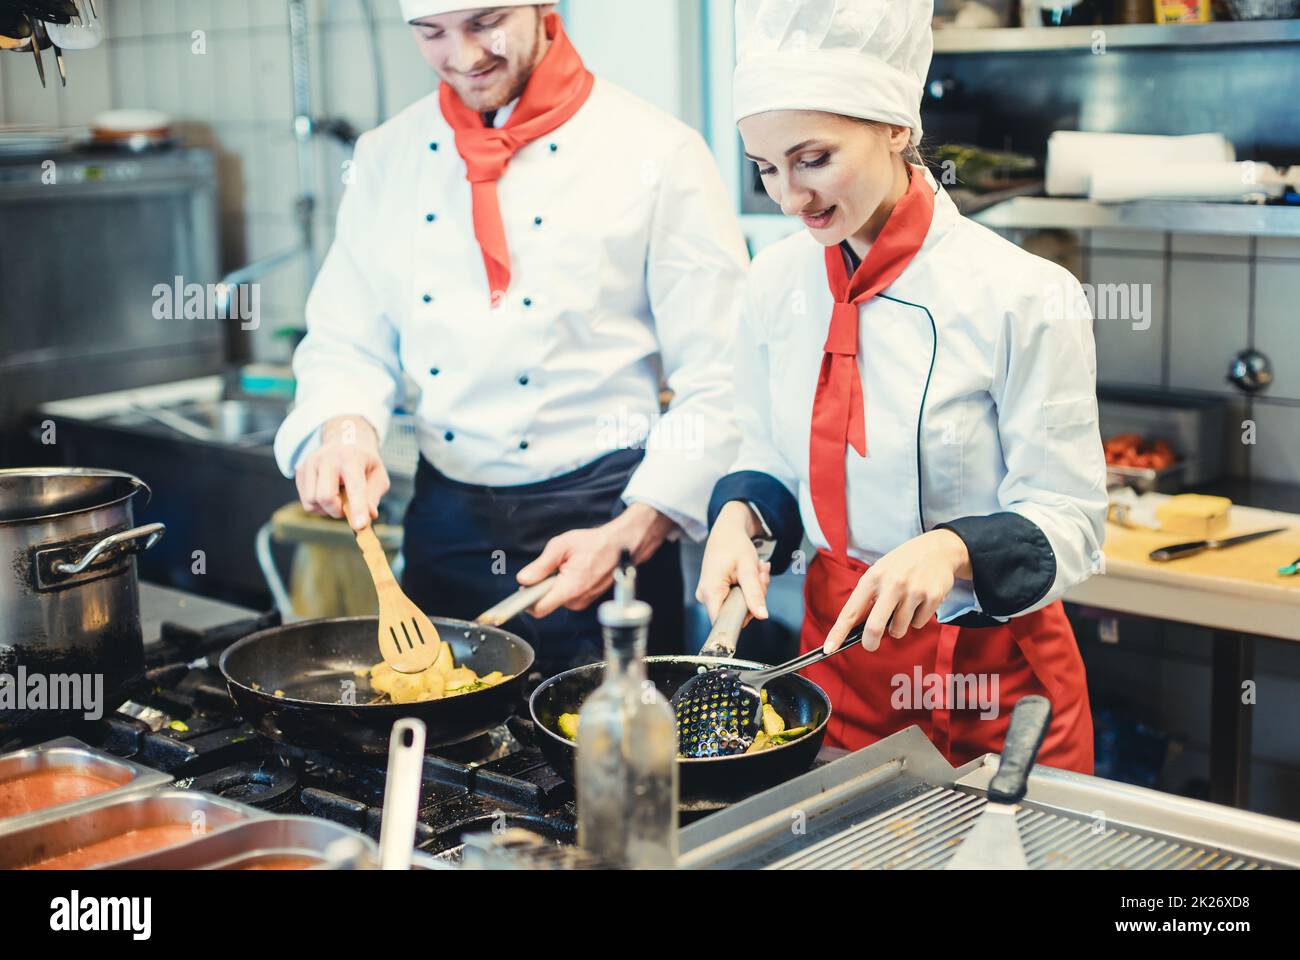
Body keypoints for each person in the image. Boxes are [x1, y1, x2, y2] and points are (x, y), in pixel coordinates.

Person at [274, 2, 747, 674]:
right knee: (442, 748)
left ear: (542, 9)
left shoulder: (657, 152)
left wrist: (636, 528)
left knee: (610, 754)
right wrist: (343, 429)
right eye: (432, 33)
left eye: (484, 22)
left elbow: (722, 376)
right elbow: (347, 339)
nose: (463, 57)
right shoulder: (387, 157)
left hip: (605, 518)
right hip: (446, 527)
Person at [696, 0, 1106, 772]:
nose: (789, 198)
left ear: (894, 127)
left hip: (993, 680)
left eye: (813, 159)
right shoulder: (775, 282)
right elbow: (772, 446)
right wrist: (741, 516)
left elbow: (1072, 519)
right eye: (765, 168)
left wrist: (951, 550)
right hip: (834, 668)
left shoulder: (1020, 292)